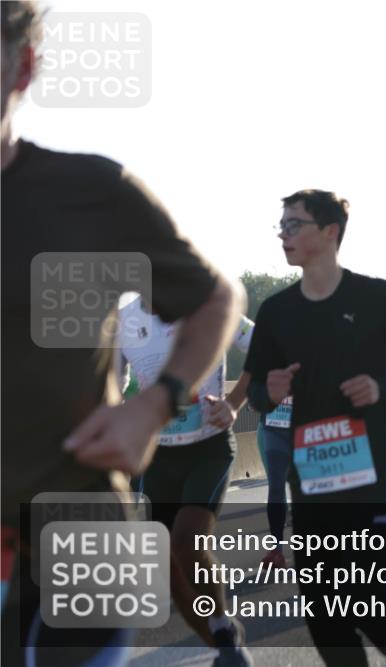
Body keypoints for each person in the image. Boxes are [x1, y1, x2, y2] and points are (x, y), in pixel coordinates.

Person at [1, 4, 244, 665]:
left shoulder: (89, 192)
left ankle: (221, 631)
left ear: (21, 67)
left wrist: (154, 403)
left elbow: (215, 297)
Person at [245, 189, 386, 666]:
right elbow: (255, 396)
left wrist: (381, 386)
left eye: (294, 224)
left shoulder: (374, 296)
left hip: (371, 478)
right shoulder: (276, 311)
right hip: (311, 481)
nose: (283, 234)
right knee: (323, 615)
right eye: (282, 225)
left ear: (329, 232)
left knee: (367, 606)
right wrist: (267, 391)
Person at [120, 299, 256, 664]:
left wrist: (233, 403)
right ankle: (220, 637)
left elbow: (264, 349)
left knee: (187, 541)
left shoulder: (209, 302)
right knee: (168, 562)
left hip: (208, 447)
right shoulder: (122, 321)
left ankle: (223, 632)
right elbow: (112, 388)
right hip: (155, 455)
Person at [257, 396, 294, 567]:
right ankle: (276, 549)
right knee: (276, 486)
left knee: (309, 489)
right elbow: (254, 385)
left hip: (306, 427)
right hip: (274, 426)